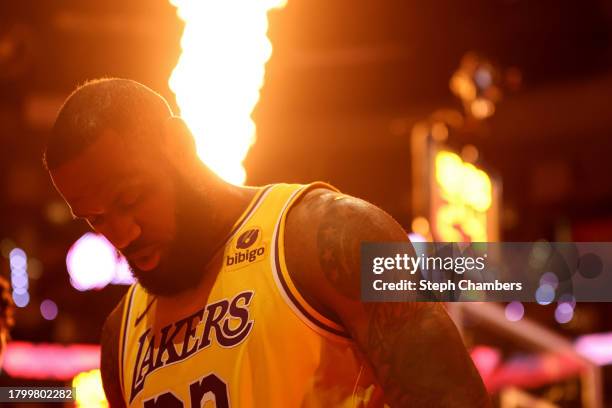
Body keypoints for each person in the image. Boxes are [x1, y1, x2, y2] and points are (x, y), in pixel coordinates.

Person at [44, 78, 490, 407]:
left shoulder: (326, 234)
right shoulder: (118, 336)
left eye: (130, 198)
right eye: (96, 219)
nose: (122, 235)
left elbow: (452, 399)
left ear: (178, 145)